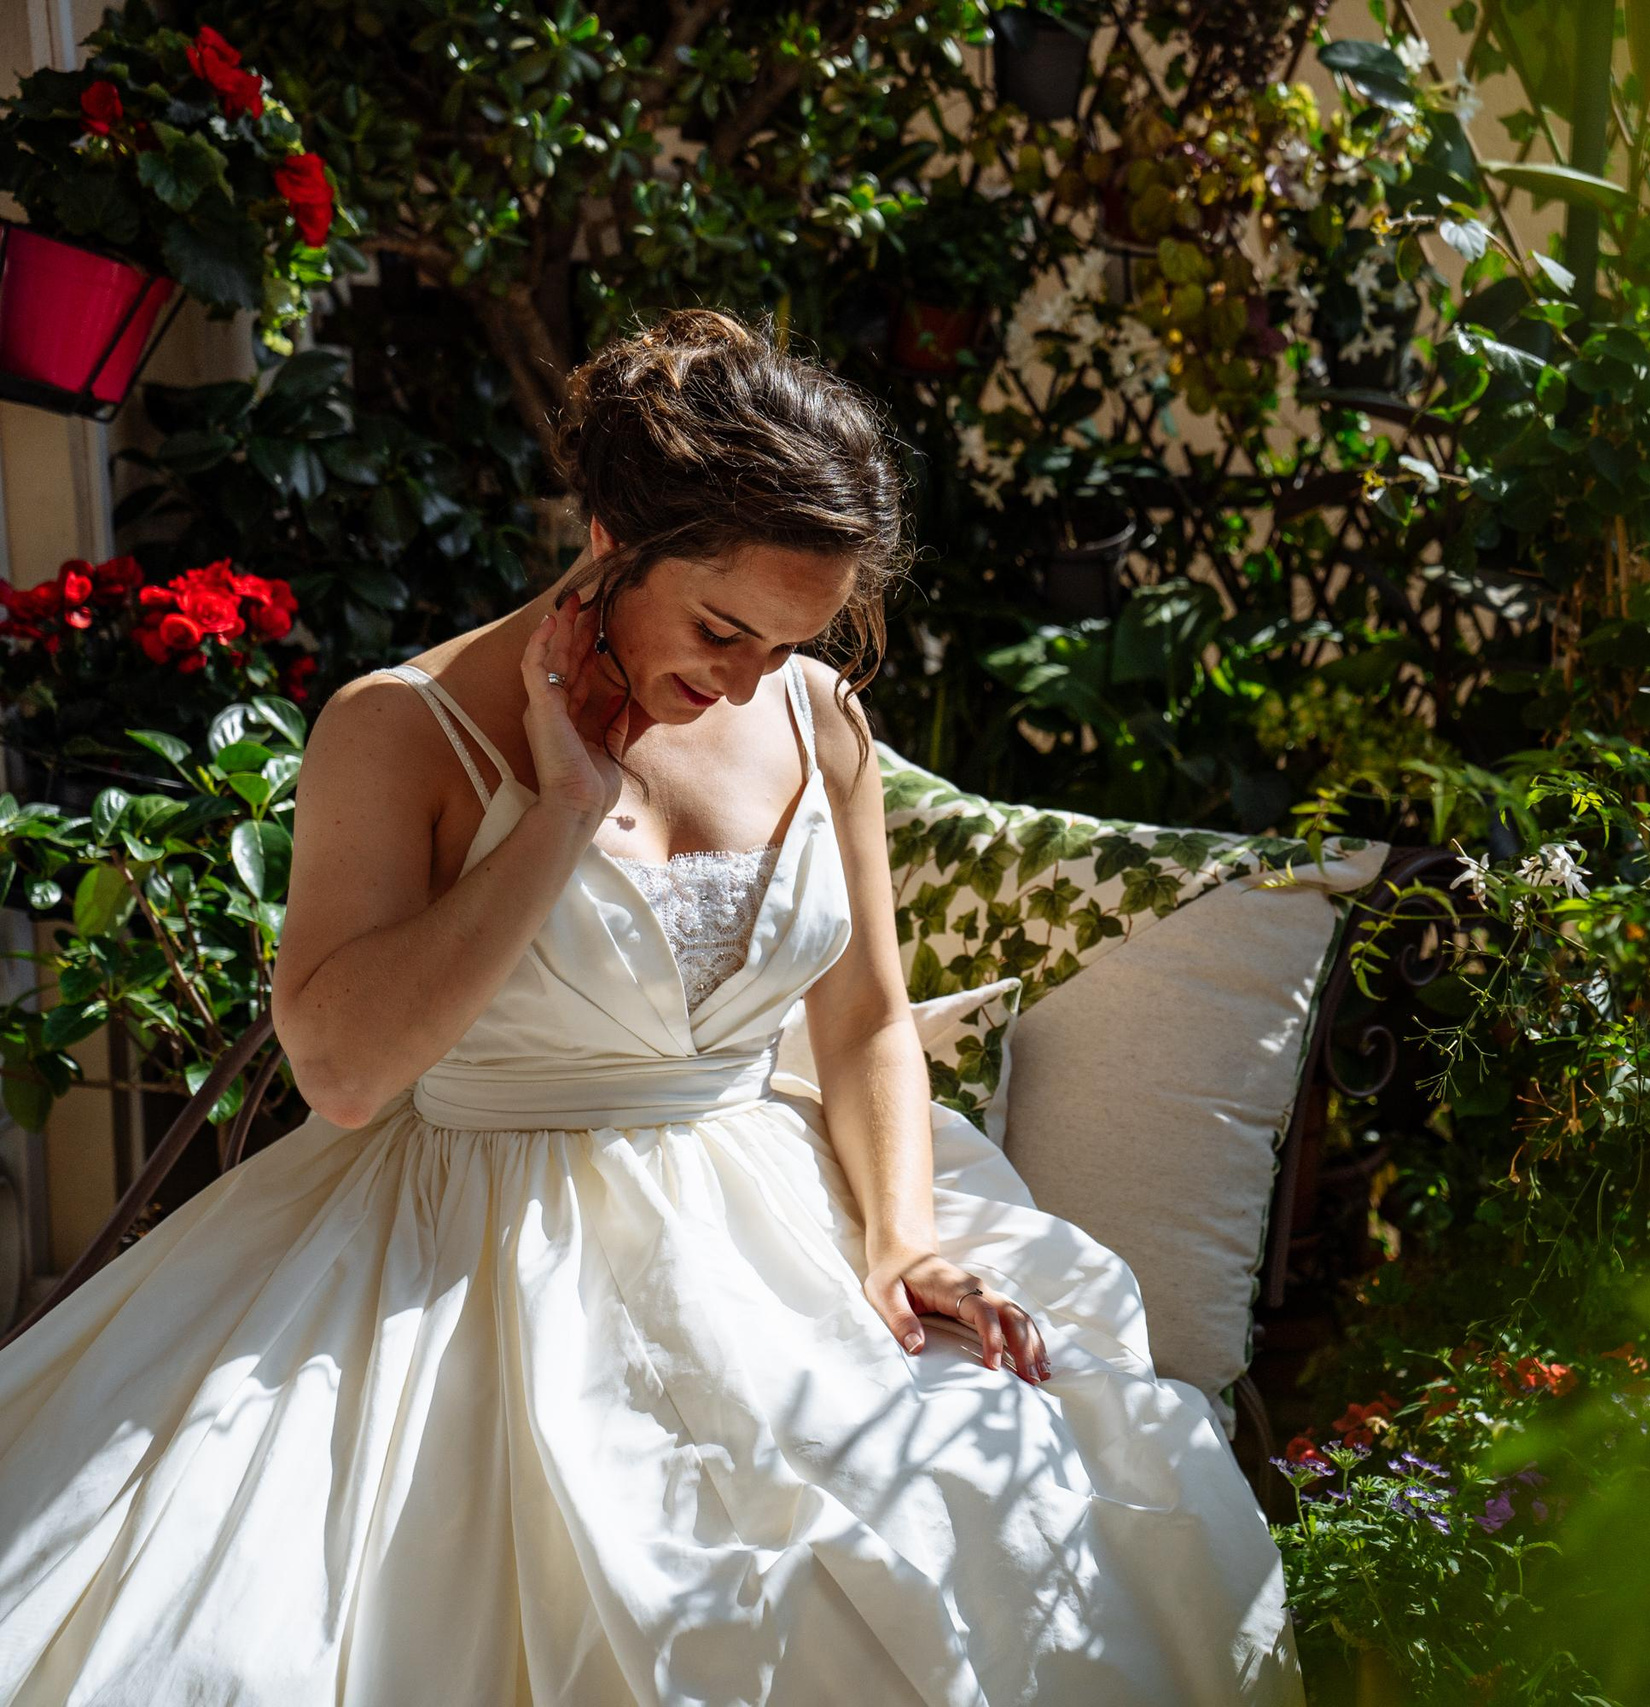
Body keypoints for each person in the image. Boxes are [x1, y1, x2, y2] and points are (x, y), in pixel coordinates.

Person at [0, 308, 1302, 1705]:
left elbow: (863, 1019)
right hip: (459, 1244)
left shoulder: (820, 723)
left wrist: (903, 1238)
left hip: (776, 1227)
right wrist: (562, 810)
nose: (747, 681)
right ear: (617, 537)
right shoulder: (399, 731)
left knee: (993, 1523)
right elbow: (346, 1075)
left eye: (790, 641)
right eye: (722, 628)